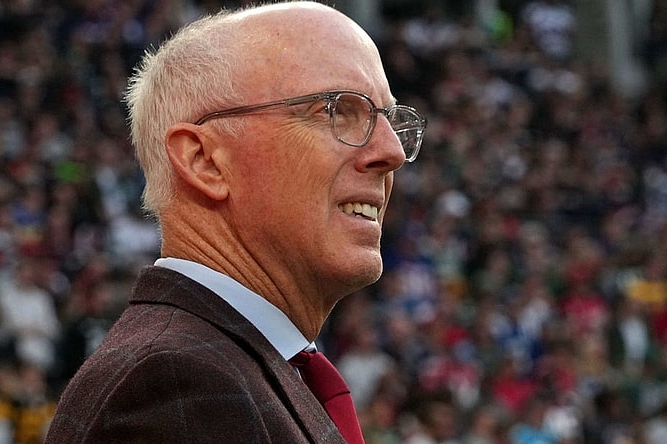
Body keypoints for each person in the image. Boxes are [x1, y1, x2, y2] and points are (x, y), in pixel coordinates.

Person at [45, 1, 427, 443]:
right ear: (204, 161)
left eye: (390, 119)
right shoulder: (175, 383)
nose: (392, 152)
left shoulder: (228, 366)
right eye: (336, 110)